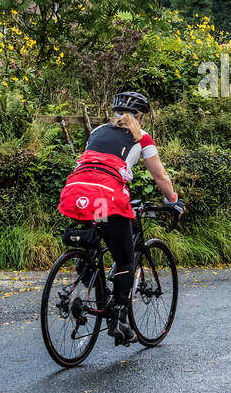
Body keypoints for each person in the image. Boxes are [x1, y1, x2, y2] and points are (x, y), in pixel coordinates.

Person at [58, 90, 183, 344]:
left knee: (97, 234)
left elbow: (95, 166)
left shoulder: (97, 131)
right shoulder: (142, 138)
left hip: (77, 191)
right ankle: (118, 318)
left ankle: (85, 275)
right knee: (126, 259)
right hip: (107, 196)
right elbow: (160, 177)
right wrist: (173, 201)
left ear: (115, 113)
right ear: (140, 116)